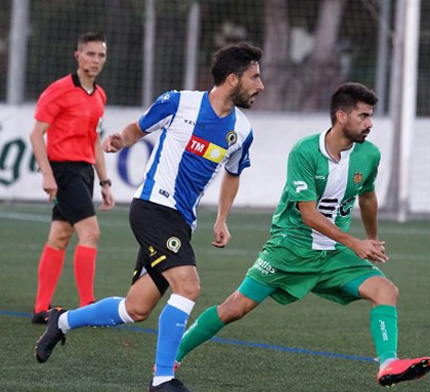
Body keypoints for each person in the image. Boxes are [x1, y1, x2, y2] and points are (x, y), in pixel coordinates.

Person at [35, 43, 265, 392]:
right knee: (189, 286)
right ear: (232, 79)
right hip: (154, 207)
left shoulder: (242, 130)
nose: (260, 85)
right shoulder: (179, 102)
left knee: (135, 309)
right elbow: (138, 129)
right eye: (254, 77)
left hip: (182, 221)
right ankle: (162, 380)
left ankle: (62, 321)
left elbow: (233, 174)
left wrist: (222, 218)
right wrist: (119, 140)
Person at [174, 82, 430, 387]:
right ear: (341, 116)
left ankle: (388, 364)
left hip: (333, 253)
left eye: (371, 116)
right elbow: (308, 214)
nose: (370, 123)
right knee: (235, 308)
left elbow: (367, 197)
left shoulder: (370, 155)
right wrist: (355, 242)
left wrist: (371, 240)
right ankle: (170, 357)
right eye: (363, 116)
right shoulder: (305, 151)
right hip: (289, 250)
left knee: (385, 291)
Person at [29, 32, 115, 324]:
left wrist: (104, 183)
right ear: (78, 56)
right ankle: (88, 307)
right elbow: (36, 135)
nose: (96, 60)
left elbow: (94, 142)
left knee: (60, 236)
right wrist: (48, 175)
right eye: (90, 54)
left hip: (84, 172)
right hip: (63, 171)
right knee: (91, 233)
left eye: (101, 55)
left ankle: (41, 309)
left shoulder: (99, 96)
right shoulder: (59, 90)